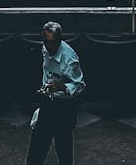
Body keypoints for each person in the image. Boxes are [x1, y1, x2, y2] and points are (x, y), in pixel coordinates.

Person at [26, 21, 85, 165]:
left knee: (63, 148)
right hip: (48, 103)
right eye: (46, 42)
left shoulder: (70, 60)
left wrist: (61, 87)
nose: (50, 46)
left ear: (59, 40)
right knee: (37, 147)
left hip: (64, 108)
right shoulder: (45, 48)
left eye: (53, 43)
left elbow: (79, 85)